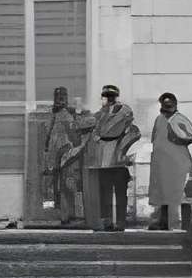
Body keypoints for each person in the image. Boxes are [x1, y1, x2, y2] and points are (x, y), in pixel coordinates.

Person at [83, 84, 139, 232]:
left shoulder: (125, 113)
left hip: (119, 159)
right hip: (103, 160)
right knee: (104, 192)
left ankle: (120, 222)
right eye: (106, 96)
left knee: (120, 193)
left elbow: (132, 133)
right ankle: (107, 221)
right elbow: (94, 132)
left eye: (110, 96)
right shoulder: (99, 115)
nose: (108, 99)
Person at [148, 91, 192, 230]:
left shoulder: (179, 119)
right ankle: (163, 222)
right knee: (162, 194)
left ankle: (178, 225)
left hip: (177, 164)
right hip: (162, 163)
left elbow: (191, 135)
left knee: (177, 195)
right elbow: (155, 140)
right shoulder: (159, 119)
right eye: (165, 104)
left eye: (168, 104)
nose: (166, 107)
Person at [42, 85, 81, 226]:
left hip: (66, 153)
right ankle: (63, 214)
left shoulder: (67, 114)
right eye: (58, 97)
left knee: (66, 184)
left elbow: (73, 133)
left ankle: (67, 215)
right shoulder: (55, 114)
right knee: (58, 185)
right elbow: (47, 134)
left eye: (62, 97)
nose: (60, 100)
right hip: (58, 153)